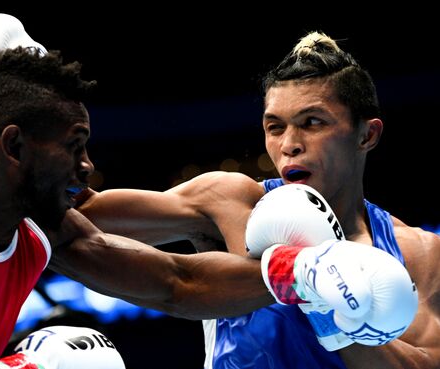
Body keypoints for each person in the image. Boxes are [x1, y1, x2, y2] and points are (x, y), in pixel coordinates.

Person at [0, 14, 422, 369]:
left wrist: (301, 275)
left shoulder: (44, 227)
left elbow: (176, 281)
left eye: (312, 123)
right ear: (14, 146)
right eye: (75, 146)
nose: (88, 166)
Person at [73, 31, 440, 368]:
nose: (289, 144)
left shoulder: (419, 253)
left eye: (313, 122)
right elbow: (79, 216)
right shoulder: (231, 203)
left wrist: (328, 307)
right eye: (275, 126)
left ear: (366, 135)